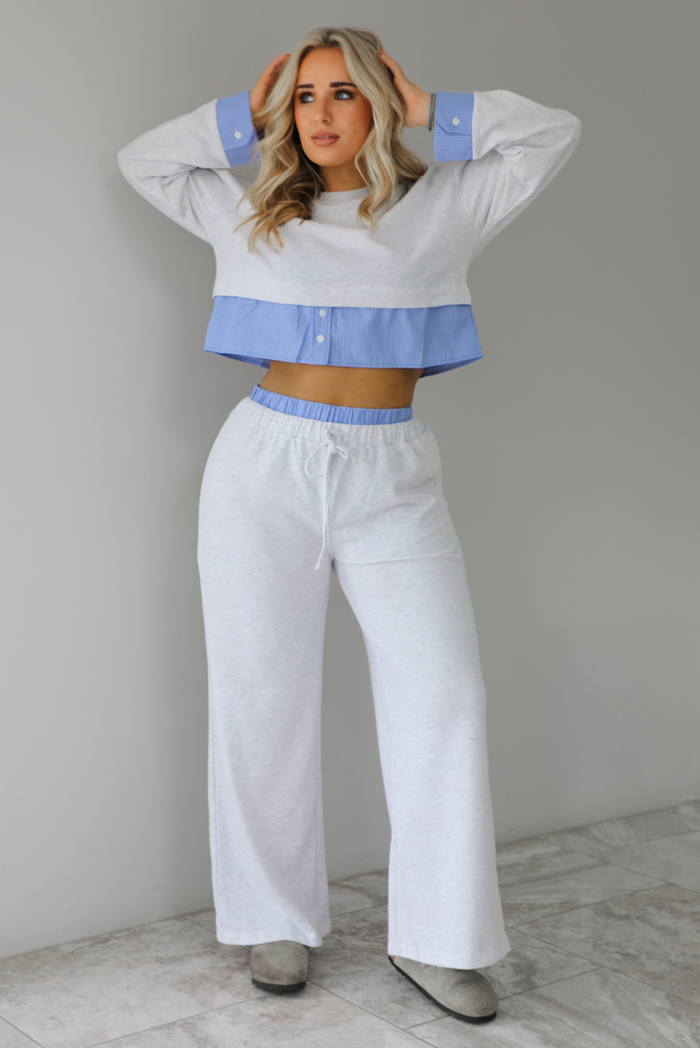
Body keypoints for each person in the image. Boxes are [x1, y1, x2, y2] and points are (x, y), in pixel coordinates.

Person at [118, 25, 582, 1024]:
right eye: (302, 97)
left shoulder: (447, 206)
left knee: (444, 692)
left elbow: (552, 134)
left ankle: (440, 939)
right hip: (262, 465)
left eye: (342, 92)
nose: (320, 113)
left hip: (391, 470)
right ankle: (272, 919)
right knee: (260, 689)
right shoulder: (248, 209)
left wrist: (432, 110)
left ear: (377, 101)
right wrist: (239, 116)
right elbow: (143, 160)